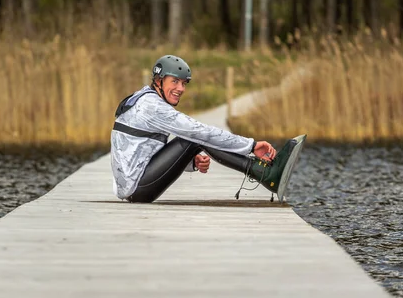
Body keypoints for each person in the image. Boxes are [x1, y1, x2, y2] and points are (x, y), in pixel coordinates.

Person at [110, 54, 305, 203]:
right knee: (195, 136)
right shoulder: (152, 106)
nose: (181, 88)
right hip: (137, 188)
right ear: (159, 80)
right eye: (175, 81)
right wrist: (251, 145)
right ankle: (264, 174)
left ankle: (263, 172)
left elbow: (142, 150)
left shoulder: (143, 97)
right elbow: (199, 132)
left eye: (184, 83)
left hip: (134, 184)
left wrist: (188, 161)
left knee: (193, 139)